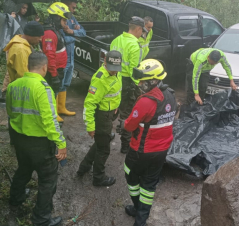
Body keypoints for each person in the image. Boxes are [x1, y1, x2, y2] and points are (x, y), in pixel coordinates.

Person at [6, 52, 66, 226]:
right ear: (45, 67)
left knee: (23, 169)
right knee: (47, 180)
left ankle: (16, 198)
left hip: (19, 139)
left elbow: (10, 113)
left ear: (27, 66)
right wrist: (61, 143)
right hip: (39, 143)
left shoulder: (14, 85)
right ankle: (41, 219)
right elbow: (50, 120)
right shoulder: (42, 87)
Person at [121, 59, 177, 226]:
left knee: (130, 174)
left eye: (143, 81)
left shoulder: (146, 101)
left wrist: (122, 123)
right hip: (162, 150)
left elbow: (130, 125)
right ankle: (141, 219)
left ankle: (138, 208)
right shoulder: (171, 95)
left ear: (154, 80)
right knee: (149, 184)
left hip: (142, 150)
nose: (140, 83)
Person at [76, 51, 122, 186]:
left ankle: (84, 167)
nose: (114, 71)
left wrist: (116, 107)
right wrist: (90, 127)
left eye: (117, 68)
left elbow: (114, 92)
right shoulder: (100, 79)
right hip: (102, 117)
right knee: (104, 149)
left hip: (109, 114)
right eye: (112, 68)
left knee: (101, 142)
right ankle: (98, 178)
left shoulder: (117, 72)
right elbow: (89, 104)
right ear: (105, 62)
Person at [110, 16, 148, 153]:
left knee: (112, 108)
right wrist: (139, 87)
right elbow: (135, 70)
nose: (142, 33)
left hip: (114, 79)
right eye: (141, 30)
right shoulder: (135, 45)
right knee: (127, 114)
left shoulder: (116, 40)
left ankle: (106, 134)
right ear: (138, 29)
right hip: (128, 83)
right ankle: (125, 146)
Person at [42, 2, 71, 122]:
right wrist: (53, 75)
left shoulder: (55, 30)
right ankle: (52, 116)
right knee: (51, 92)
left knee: (56, 90)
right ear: (57, 17)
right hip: (52, 70)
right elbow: (49, 55)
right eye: (64, 20)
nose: (66, 23)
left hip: (59, 68)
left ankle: (58, 110)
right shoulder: (49, 33)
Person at [58, 0, 86, 117]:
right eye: (73, 7)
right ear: (65, 5)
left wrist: (73, 31)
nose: (74, 10)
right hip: (62, 56)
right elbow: (61, 38)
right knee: (59, 83)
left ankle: (62, 107)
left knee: (66, 83)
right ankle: (55, 111)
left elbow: (83, 33)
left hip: (71, 57)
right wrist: (73, 36)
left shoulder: (72, 19)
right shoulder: (59, 19)